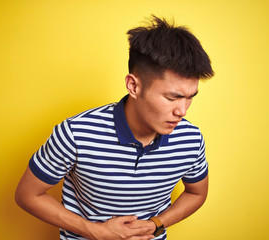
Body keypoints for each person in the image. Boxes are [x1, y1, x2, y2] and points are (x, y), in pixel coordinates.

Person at [15, 15, 214, 240]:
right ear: (133, 86)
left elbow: (197, 193)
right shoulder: (76, 133)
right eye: (172, 97)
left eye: (190, 98)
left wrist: (156, 224)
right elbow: (27, 195)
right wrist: (96, 231)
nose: (183, 111)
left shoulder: (191, 139)